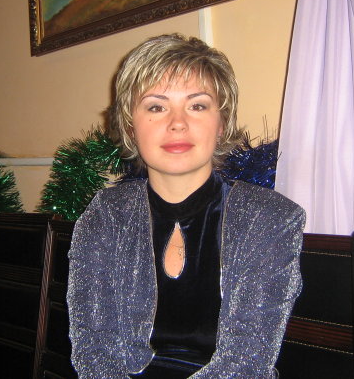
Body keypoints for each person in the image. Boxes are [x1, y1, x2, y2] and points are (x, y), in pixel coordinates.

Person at [67, 34, 305, 378]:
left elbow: (246, 363)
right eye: (156, 107)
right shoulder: (107, 214)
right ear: (131, 127)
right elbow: (94, 351)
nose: (177, 122)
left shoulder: (269, 218)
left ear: (221, 124)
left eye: (197, 106)